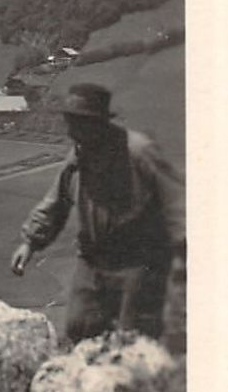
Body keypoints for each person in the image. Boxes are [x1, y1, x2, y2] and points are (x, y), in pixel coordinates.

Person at [11, 83, 185, 346]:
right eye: (69, 120)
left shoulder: (138, 151)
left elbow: (177, 202)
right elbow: (57, 200)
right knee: (79, 327)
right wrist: (30, 242)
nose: (71, 130)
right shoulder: (79, 155)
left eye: (78, 122)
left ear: (98, 122)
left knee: (132, 340)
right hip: (93, 260)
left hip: (137, 262)